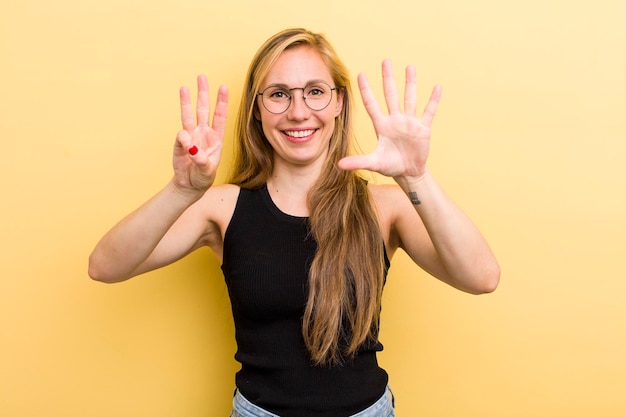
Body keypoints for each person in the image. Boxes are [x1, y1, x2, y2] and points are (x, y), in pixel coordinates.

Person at [89, 27, 500, 417]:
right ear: (257, 109)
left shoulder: (383, 206)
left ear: (339, 103)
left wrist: (416, 176)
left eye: (315, 92)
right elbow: (106, 266)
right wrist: (181, 190)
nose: (298, 112)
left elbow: (481, 276)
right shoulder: (222, 206)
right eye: (279, 95)